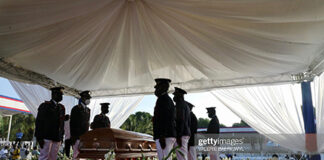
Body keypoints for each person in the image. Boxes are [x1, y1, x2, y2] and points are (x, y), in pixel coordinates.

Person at [35, 87, 65, 160]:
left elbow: (62, 123)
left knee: (53, 157)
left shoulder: (61, 107)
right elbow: (39, 122)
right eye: (59, 94)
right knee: (44, 157)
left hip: (57, 137)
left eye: (61, 95)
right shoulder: (45, 106)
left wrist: (61, 136)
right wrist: (39, 138)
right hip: (46, 136)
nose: (61, 97)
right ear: (53, 95)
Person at [152, 78, 176, 160]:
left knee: (164, 158)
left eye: (157, 87)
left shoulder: (163, 99)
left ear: (164, 87)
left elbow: (165, 119)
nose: (155, 89)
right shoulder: (165, 99)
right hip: (166, 135)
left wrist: (162, 135)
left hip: (165, 135)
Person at [70, 90, 92, 159]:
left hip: (84, 137)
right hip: (77, 137)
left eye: (89, 98)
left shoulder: (88, 110)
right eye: (87, 98)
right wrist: (73, 137)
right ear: (82, 98)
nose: (88, 100)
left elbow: (87, 123)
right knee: (76, 156)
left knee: (83, 156)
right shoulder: (76, 109)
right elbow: (72, 124)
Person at [173, 87, 191, 160]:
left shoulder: (180, 105)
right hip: (185, 133)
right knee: (182, 156)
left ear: (180, 96)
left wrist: (179, 136)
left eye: (175, 95)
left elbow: (181, 120)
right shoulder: (185, 105)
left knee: (181, 157)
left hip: (181, 134)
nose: (174, 97)